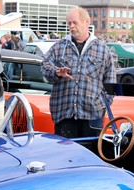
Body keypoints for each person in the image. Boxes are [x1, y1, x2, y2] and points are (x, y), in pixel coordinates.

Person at [41, 6, 116, 138]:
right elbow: (44, 66)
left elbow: (110, 82)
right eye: (69, 23)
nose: (71, 26)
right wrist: (56, 72)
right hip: (64, 113)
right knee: (65, 155)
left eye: (74, 22)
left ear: (86, 22)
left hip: (92, 115)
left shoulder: (102, 49)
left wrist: (101, 105)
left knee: (89, 154)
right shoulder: (60, 46)